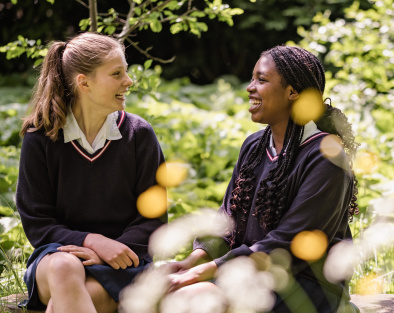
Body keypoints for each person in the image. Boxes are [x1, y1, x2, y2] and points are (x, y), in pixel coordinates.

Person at [165, 45, 359, 313]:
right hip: (247, 271)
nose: (249, 87)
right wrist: (191, 262)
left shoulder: (327, 156)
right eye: (252, 78)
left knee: (192, 299)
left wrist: (204, 273)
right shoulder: (255, 146)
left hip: (305, 284)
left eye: (262, 80)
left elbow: (289, 243)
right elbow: (227, 218)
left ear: (293, 92)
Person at [15, 32, 166, 313]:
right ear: (84, 82)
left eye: (126, 71)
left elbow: (153, 219)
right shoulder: (40, 137)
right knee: (64, 267)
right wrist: (92, 242)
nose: (128, 81)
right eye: (117, 73)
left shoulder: (139, 135)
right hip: (57, 256)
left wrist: (110, 251)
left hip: (126, 261)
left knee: (80, 297)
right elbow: (37, 221)